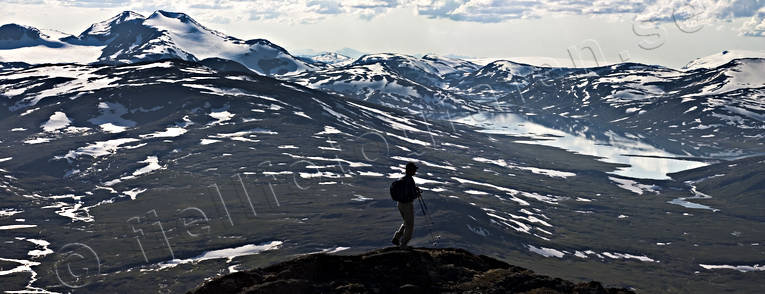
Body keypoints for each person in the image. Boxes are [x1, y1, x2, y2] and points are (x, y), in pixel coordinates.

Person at [391, 162, 421, 249]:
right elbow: (412, 195)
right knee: (410, 225)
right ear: (411, 170)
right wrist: (417, 194)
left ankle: (397, 237)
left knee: (406, 222)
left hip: (400, 204)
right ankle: (403, 245)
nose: (415, 171)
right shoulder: (410, 180)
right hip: (407, 205)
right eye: (414, 169)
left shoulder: (402, 179)